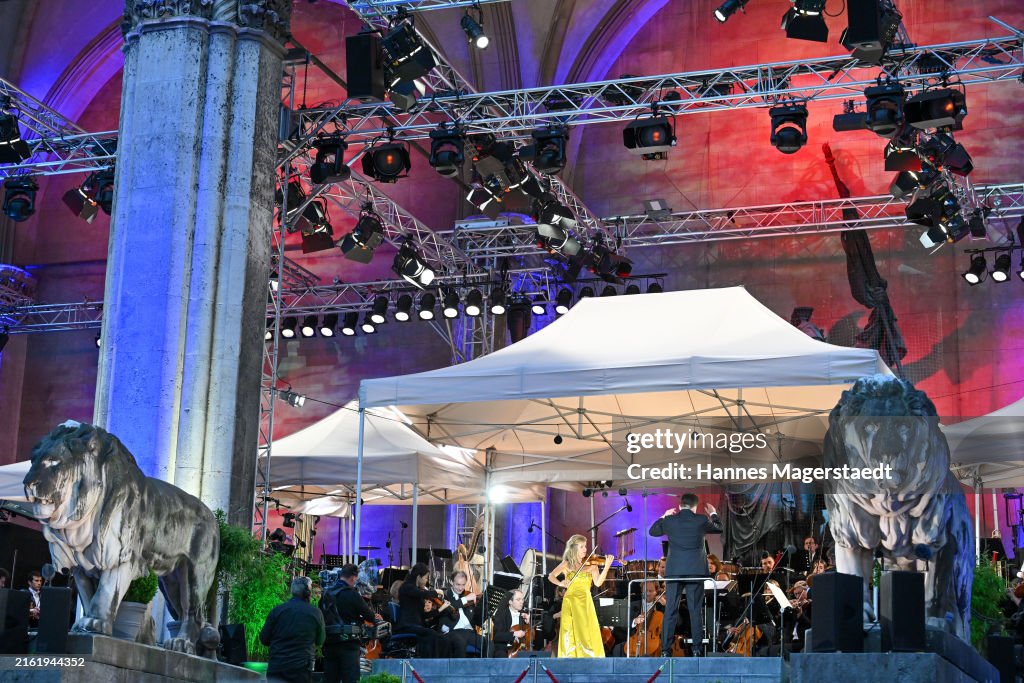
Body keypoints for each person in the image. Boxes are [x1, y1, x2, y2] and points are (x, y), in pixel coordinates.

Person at [649, 493, 722, 657]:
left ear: (680, 506)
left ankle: (665, 650)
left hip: (675, 572)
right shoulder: (701, 520)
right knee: (695, 610)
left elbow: (653, 531)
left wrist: (664, 516)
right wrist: (713, 513)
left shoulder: (670, 520)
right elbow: (719, 527)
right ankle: (696, 649)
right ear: (695, 507)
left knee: (670, 610)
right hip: (695, 571)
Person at [546, 534, 614, 658]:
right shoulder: (566, 564)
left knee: (585, 631)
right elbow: (551, 576)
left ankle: (587, 658)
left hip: (585, 601)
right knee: (569, 632)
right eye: (582, 547)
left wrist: (607, 567)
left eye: (585, 546)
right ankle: (569, 659)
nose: (585, 549)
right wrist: (560, 582)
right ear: (574, 548)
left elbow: (598, 582)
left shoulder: (592, 565)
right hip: (570, 601)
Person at [259, 576, 325, 683]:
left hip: (277, 667)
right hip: (301, 669)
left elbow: (264, 639)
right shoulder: (316, 613)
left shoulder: (277, 611)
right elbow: (320, 640)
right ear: (308, 593)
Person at [319, 565, 378, 683]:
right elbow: (369, 616)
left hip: (330, 642)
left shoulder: (326, 594)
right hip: (349, 644)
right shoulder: (352, 594)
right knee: (350, 679)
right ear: (353, 578)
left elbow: (320, 614)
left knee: (330, 678)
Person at [395, 563, 450, 657]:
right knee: (431, 635)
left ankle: (440, 664)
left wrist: (440, 609)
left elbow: (423, 615)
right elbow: (422, 594)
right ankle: (432, 664)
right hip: (406, 625)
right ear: (418, 577)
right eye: (425, 578)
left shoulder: (416, 591)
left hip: (416, 625)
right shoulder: (406, 587)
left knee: (441, 638)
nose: (426, 580)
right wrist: (436, 592)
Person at [439, 570, 484, 657]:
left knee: (488, 643)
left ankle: (486, 670)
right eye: (458, 584)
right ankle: (459, 670)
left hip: (469, 632)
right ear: (451, 582)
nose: (460, 588)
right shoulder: (445, 595)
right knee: (460, 642)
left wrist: (484, 609)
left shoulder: (467, 595)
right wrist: (465, 599)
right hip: (454, 631)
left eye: (463, 585)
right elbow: (450, 607)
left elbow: (476, 620)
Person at [491, 589, 530, 657]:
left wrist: (528, 623)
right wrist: (514, 634)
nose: (521, 602)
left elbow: (529, 637)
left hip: (519, 648)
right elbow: (497, 636)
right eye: (518, 599)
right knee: (501, 655)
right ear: (510, 602)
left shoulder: (524, 614)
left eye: (522, 599)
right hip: (504, 648)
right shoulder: (501, 614)